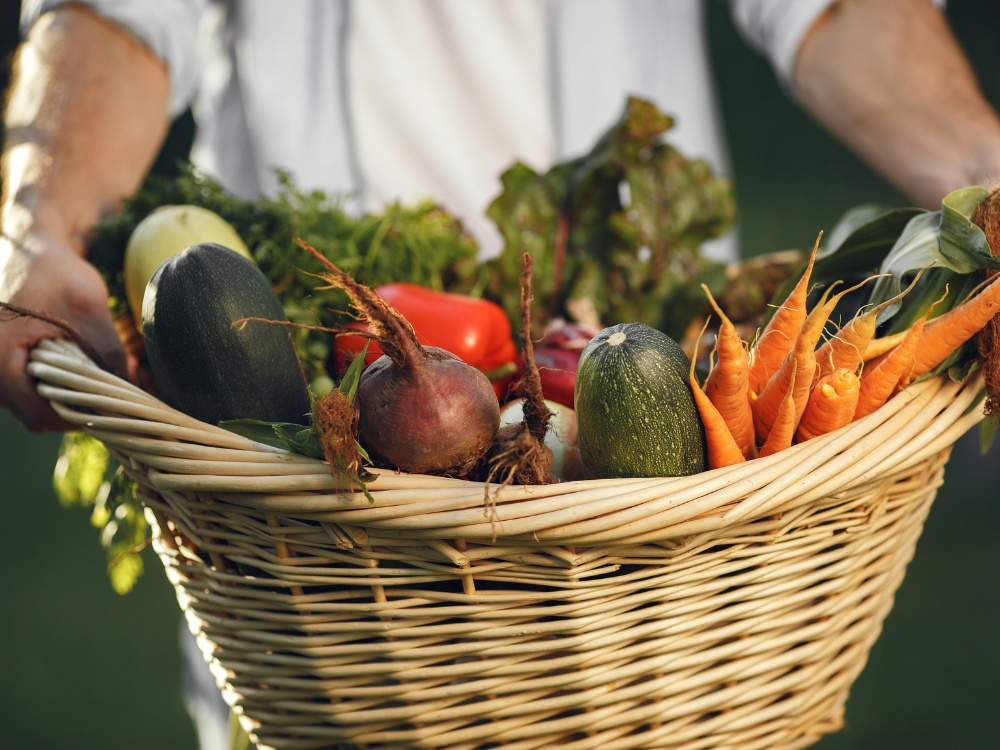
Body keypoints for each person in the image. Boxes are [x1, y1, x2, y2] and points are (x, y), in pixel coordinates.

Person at [4, 1, 1000, 747]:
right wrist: (37, 223)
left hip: (671, 580)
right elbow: (113, 18)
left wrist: (983, 168)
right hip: (317, 558)